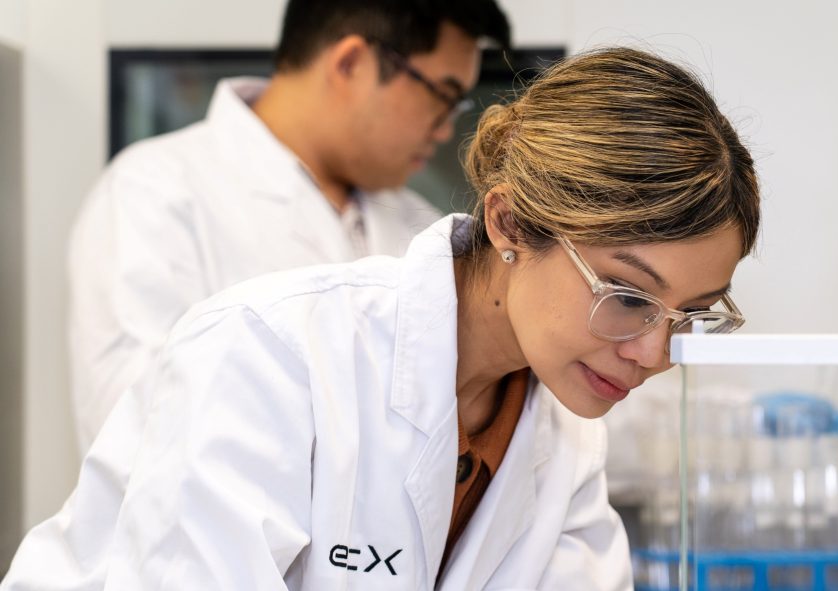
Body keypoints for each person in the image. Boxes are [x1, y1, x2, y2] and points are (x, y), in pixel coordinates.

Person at [1, 47, 838, 591]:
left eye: (691, 316)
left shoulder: (559, 427)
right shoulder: (268, 353)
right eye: (628, 297)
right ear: (511, 224)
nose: (655, 353)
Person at [67, 0, 511, 454]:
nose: (443, 131)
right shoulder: (154, 191)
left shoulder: (419, 225)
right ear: (351, 63)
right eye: (442, 95)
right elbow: (133, 425)